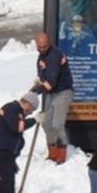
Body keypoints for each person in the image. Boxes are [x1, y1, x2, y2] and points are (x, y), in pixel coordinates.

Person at [32, 32, 73, 164]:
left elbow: (50, 83)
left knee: (57, 124)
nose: (42, 49)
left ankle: (61, 153)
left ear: (49, 43)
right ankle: (52, 152)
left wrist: (33, 93)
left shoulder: (54, 56)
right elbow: (42, 77)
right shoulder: (42, 56)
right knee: (47, 123)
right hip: (51, 93)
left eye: (45, 46)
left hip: (63, 91)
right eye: (40, 47)